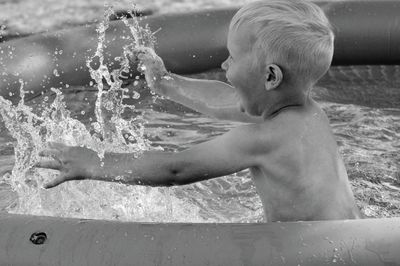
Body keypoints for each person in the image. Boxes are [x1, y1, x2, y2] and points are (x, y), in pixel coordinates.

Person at [36, 0, 362, 222]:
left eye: (233, 58)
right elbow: (225, 100)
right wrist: (167, 83)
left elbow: (175, 170)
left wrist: (93, 162)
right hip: (350, 239)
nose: (223, 65)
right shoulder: (306, 112)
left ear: (270, 76)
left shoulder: (262, 139)